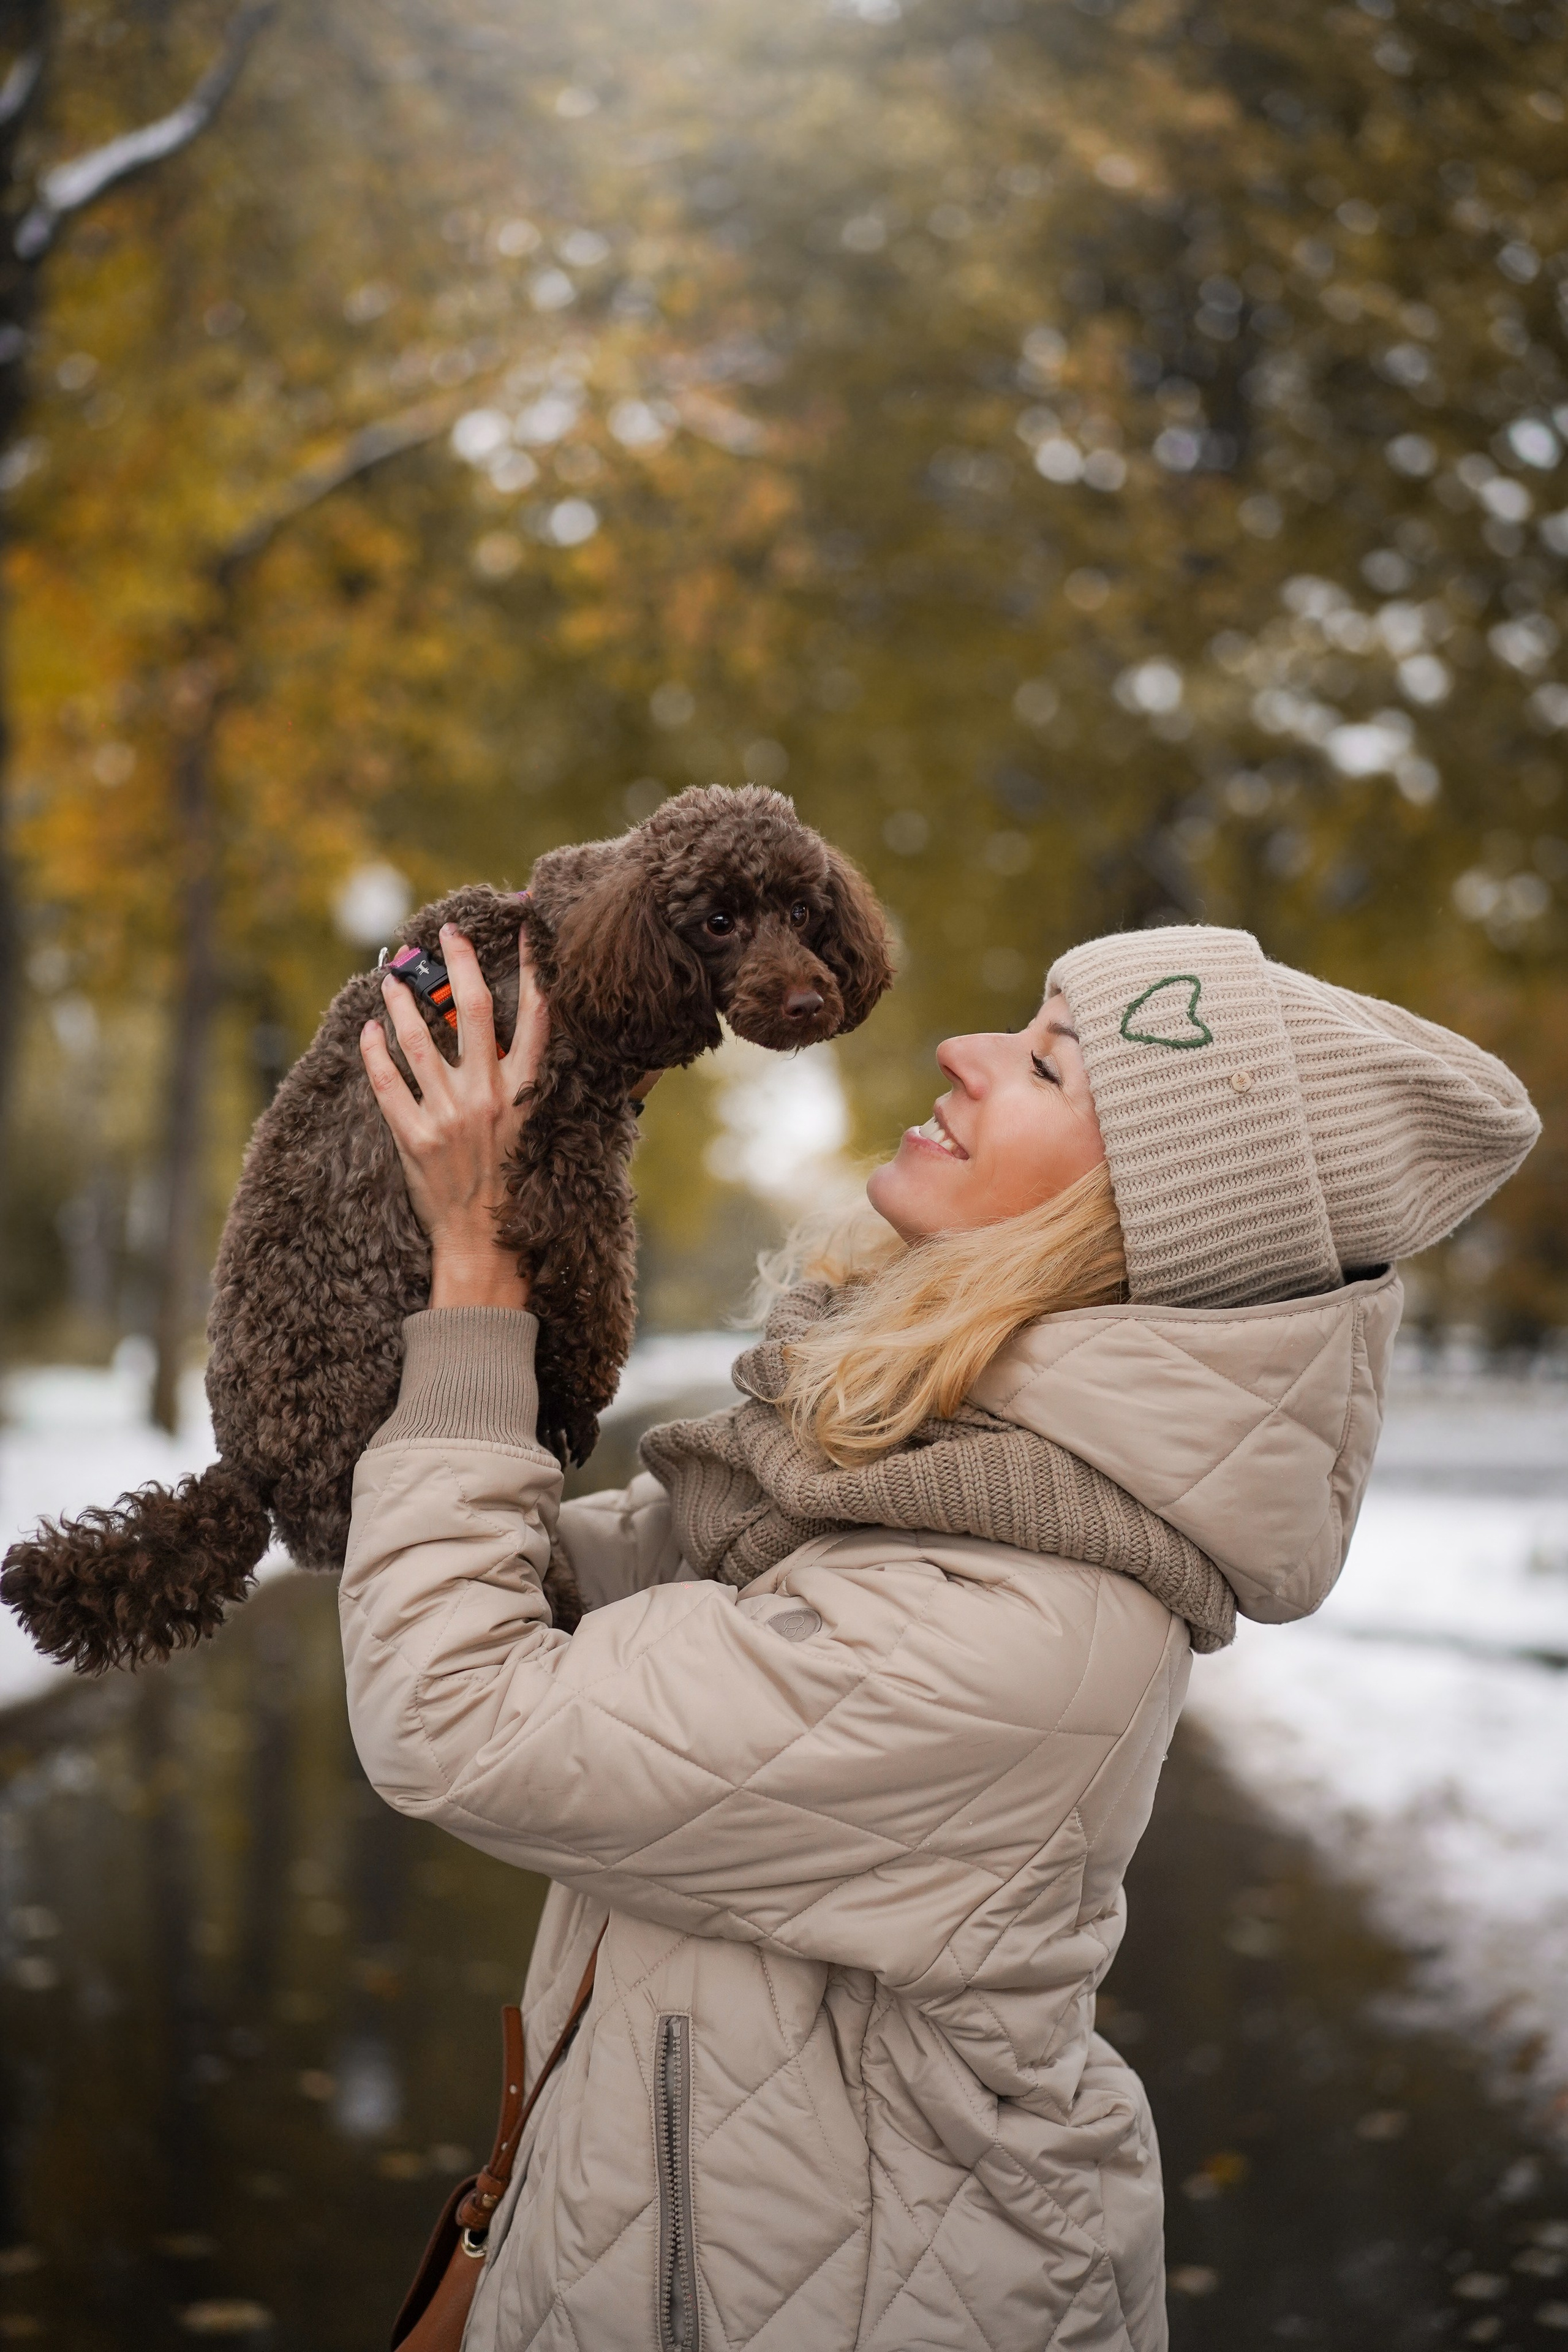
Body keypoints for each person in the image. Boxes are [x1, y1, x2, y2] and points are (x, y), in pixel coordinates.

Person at [345, 918, 1537, 2352]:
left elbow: (456, 1710)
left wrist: (477, 1283)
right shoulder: (922, 1488)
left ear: (1126, 1225)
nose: (965, 1056)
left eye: (1045, 1064)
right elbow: (540, 1588)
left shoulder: (1013, 1616)